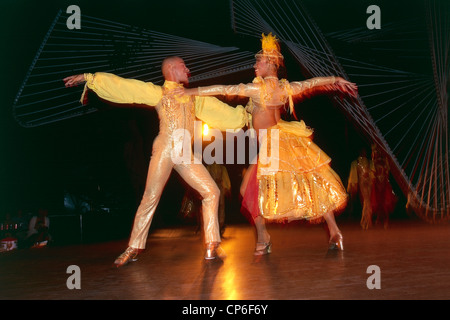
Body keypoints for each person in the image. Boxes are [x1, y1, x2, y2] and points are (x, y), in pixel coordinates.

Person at [179, 33, 358, 253]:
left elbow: (225, 89)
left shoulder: (258, 90)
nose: (255, 65)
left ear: (271, 64)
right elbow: (312, 83)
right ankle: (334, 231)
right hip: (286, 139)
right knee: (310, 182)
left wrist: (191, 91)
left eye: (259, 61)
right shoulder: (284, 88)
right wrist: (336, 81)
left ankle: (263, 238)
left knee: (247, 190)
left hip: (272, 145)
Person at [63, 56, 249, 266]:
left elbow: (220, 112)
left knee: (212, 192)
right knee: (150, 196)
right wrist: (90, 78)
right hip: (165, 149)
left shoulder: (193, 97)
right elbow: (127, 87)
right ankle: (133, 247)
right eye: (183, 66)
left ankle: (211, 245)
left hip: (185, 154)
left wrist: (246, 114)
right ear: (171, 69)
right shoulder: (159, 92)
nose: (188, 70)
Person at [347, 149, 373, 229]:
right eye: (362, 151)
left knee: (367, 201)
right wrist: (353, 185)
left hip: (370, 183)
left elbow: (373, 174)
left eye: (365, 151)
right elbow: (353, 175)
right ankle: (366, 221)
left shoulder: (370, 162)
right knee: (366, 201)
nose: (363, 152)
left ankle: (365, 221)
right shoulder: (355, 163)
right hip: (362, 183)